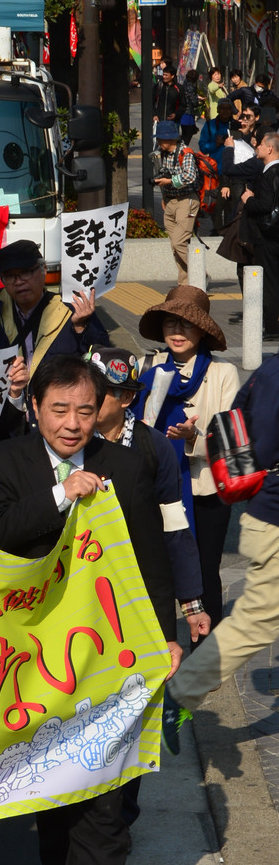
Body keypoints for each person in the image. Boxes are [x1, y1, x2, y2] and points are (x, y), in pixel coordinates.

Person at [0, 355, 182, 865]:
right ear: (33, 407)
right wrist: (62, 493)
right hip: (32, 648)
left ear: (103, 410)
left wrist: (164, 633)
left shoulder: (125, 464)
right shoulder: (1, 463)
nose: (72, 423)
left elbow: (149, 557)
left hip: (110, 644)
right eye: (59, 410)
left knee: (106, 772)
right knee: (46, 759)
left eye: (85, 410)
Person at [163, 353, 279, 753]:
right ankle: (183, 690)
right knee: (259, 619)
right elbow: (255, 449)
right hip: (274, 519)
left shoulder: (267, 372)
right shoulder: (275, 375)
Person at [134, 287, 239, 629]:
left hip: (206, 488)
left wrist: (193, 438)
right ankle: (161, 648)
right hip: (158, 485)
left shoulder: (224, 373)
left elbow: (231, 443)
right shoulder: (147, 365)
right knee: (155, 566)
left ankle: (205, 658)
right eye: (169, 324)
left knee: (205, 568)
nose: (176, 333)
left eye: (186, 325)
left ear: (203, 331)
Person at [87, 346, 209, 641]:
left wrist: (192, 606)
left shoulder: (154, 447)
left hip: (143, 580)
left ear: (126, 398)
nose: (86, 400)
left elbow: (174, 526)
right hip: (86, 579)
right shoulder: (70, 441)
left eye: (99, 392)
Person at [0, 239, 107, 419]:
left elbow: (100, 365)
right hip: (3, 422)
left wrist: (81, 328)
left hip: (58, 420)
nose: (18, 282)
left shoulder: (74, 313)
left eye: (25, 273)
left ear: (44, 270)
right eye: (10, 276)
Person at [149, 120, 201, 283]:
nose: (158, 142)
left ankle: (200, 274)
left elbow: (190, 176)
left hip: (186, 200)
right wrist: (164, 196)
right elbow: (161, 175)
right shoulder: (160, 154)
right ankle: (185, 283)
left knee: (179, 242)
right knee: (175, 246)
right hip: (170, 202)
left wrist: (170, 181)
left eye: (161, 139)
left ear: (171, 139)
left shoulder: (185, 152)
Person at [240, 129, 279, 337]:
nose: (257, 147)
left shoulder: (269, 173)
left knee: (270, 281)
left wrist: (249, 200)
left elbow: (263, 206)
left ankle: (273, 327)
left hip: (268, 236)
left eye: (261, 145)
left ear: (270, 149)